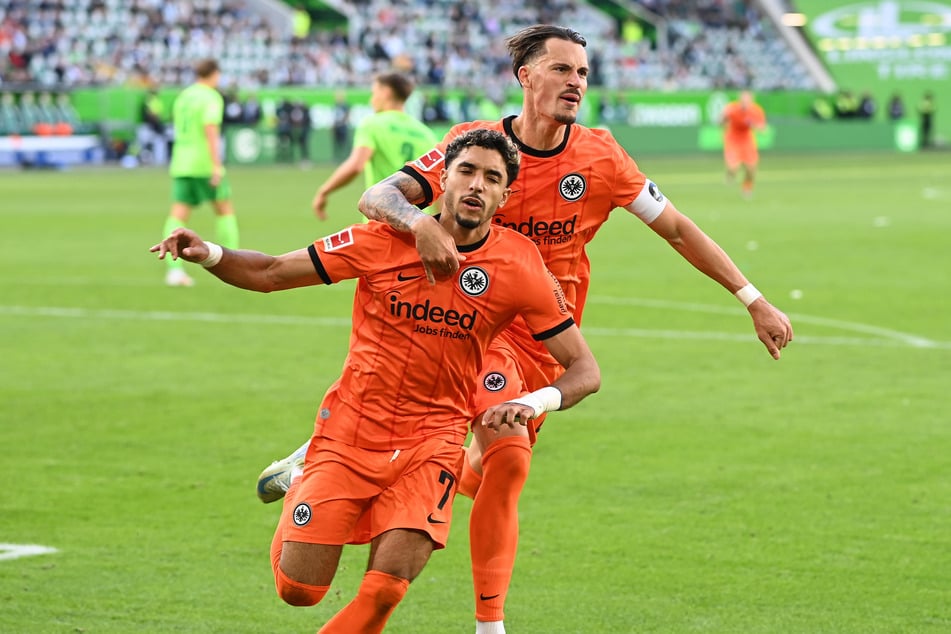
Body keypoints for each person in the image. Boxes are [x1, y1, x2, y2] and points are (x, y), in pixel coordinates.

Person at [259, 25, 793, 634]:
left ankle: (328, 462)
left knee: (484, 472)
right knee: (508, 460)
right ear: (526, 77)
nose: (576, 83)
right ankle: (491, 625)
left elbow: (676, 227)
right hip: (476, 329)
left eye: (584, 73)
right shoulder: (477, 149)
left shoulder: (600, 157)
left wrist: (752, 298)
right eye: (563, 69)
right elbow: (381, 194)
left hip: (545, 338)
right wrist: (418, 224)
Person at [152, 128, 602, 634]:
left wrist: (535, 400)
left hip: (434, 440)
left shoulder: (519, 263)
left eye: (492, 178)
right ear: (444, 180)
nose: (477, 185)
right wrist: (209, 253)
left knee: (386, 588)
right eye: (467, 171)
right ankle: (302, 475)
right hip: (350, 430)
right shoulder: (381, 241)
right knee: (299, 591)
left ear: (505, 195)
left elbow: (585, 370)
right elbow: (273, 272)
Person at [310, 72, 437, 221]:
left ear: (386, 92)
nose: (371, 100)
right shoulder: (426, 133)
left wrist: (324, 191)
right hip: (418, 224)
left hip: (383, 221)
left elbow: (356, 165)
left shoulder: (373, 124)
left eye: (373, 93)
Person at [160, 58, 238, 287]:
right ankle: (235, 264)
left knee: (178, 213)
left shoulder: (184, 96)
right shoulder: (210, 97)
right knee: (224, 210)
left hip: (181, 162)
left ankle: (173, 270)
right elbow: (210, 130)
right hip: (203, 163)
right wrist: (216, 165)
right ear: (214, 74)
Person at [720, 90, 767, 198]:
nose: (745, 103)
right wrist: (723, 118)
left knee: (751, 168)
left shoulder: (756, 111)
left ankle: (747, 188)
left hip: (747, 140)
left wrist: (754, 124)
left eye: (747, 100)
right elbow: (721, 121)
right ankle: (730, 174)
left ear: (751, 100)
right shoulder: (732, 109)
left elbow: (763, 128)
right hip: (733, 140)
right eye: (743, 100)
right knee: (733, 167)